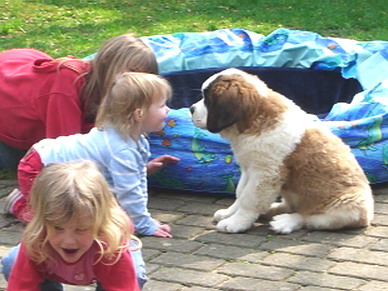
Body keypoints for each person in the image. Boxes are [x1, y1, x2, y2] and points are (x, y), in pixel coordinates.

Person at [6, 72, 178, 238]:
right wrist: (144, 225)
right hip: (39, 168)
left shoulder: (136, 140)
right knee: (57, 223)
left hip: (49, 159)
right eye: (162, 105)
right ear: (139, 114)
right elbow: (129, 192)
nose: (168, 109)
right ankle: (20, 205)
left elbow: (135, 180)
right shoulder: (121, 149)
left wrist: (139, 219)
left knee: (99, 219)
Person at [0, 33, 159, 171]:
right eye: (132, 71)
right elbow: (66, 157)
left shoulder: (113, 86)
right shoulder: (66, 83)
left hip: (21, 63)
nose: (137, 80)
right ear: (107, 60)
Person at [1, 161, 145, 290]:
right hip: (50, 262)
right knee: (12, 262)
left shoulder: (111, 242)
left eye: (81, 229)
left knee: (135, 274)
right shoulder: (37, 238)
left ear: (98, 223)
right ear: (43, 221)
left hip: (105, 252)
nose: (68, 240)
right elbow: (20, 287)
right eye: (58, 228)